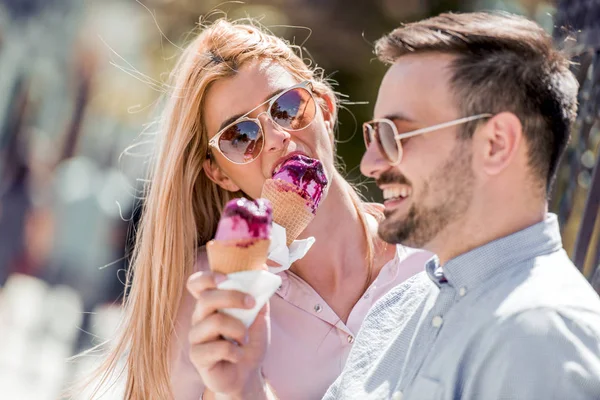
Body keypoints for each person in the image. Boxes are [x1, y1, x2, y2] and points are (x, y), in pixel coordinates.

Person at [193, 11, 600, 400]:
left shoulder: (544, 336)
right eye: (374, 135)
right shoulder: (398, 308)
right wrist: (242, 388)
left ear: (495, 144)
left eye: (397, 135)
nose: (370, 165)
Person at [87, 19, 430, 400]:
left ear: (325, 109)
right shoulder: (208, 296)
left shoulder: (434, 253)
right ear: (219, 173)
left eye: (288, 107)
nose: (278, 139)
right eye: (241, 136)